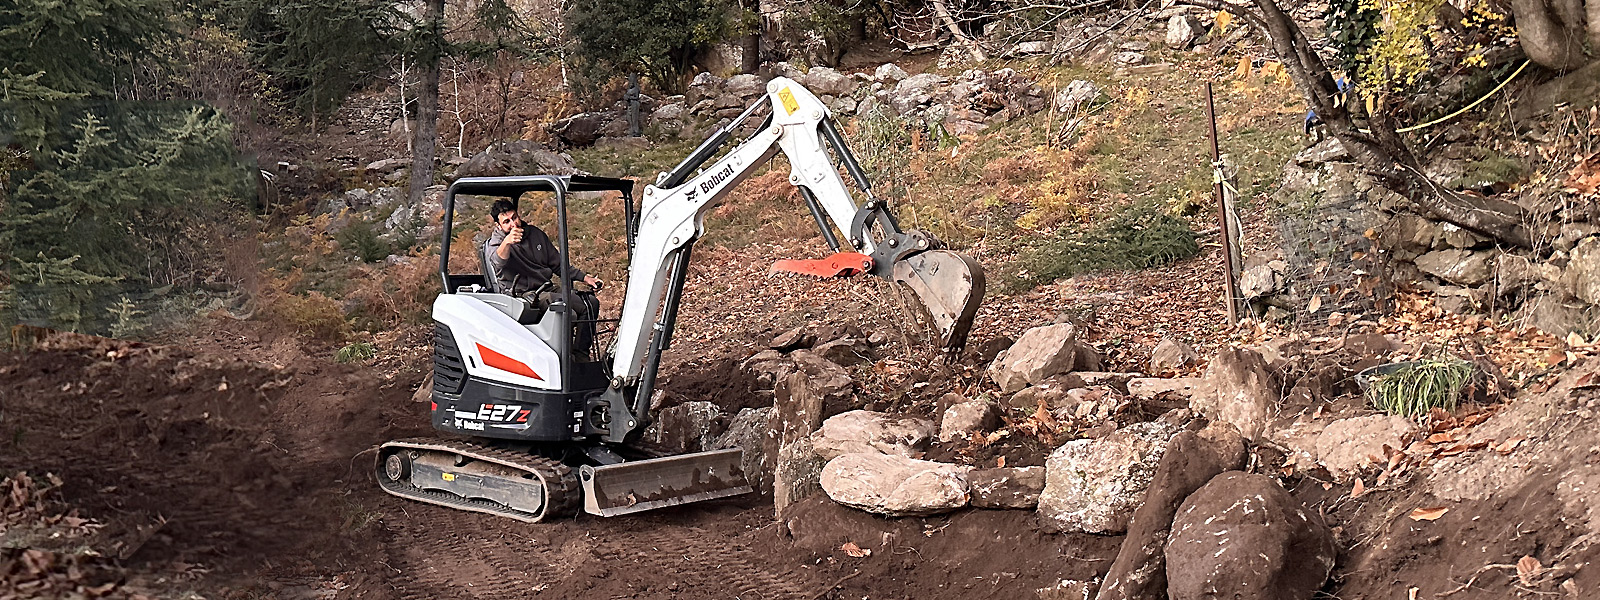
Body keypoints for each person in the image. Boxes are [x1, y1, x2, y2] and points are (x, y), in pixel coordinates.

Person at [486, 198, 603, 356]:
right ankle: (563, 361)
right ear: (498, 226)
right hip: (522, 294)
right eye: (506, 222)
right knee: (565, 309)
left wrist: (585, 278)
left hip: (545, 287)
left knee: (590, 303)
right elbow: (497, 262)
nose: (513, 224)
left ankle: (580, 355)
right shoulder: (497, 243)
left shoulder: (535, 234)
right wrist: (507, 242)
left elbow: (557, 264)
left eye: (514, 218)